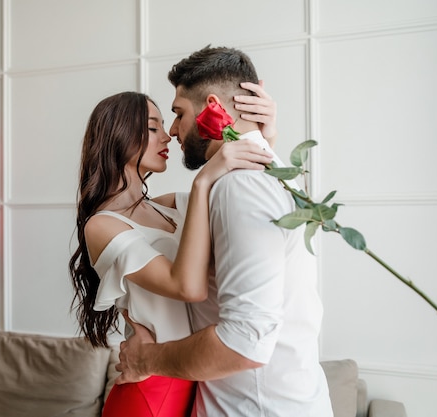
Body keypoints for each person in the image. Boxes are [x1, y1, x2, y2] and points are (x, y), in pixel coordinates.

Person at [115, 46, 334, 417]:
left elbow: (244, 343)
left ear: (212, 108)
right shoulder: (270, 173)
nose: (172, 130)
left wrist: (145, 359)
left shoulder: (240, 187)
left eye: (178, 114)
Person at [69, 90, 276, 417]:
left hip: (197, 377)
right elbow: (188, 287)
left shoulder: (172, 207)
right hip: (150, 392)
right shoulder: (101, 226)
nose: (167, 135)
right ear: (117, 134)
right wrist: (203, 179)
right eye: (153, 128)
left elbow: (250, 204)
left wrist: (264, 136)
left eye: (165, 125)